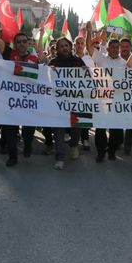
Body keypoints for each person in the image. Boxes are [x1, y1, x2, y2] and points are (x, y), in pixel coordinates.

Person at [0, 23, 44, 166]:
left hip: (28, 103)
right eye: (18, 42)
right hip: (10, 102)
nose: (21, 44)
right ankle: (12, 156)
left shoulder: (34, 59)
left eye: (24, 41)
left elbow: (44, 75)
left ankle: (27, 145)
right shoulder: (9, 54)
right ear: (14, 44)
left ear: (28, 43)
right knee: (10, 131)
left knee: (28, 131)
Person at [86, 24, 126, 162]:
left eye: (117, 47)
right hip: (102, 99)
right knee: (101, 127)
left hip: (118, 99)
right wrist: (89, 33)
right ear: (107, 48)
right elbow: (89, 48)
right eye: (112, 47)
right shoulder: (101, 58)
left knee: (117, 129)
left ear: (119, 49)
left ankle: (112, 151)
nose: (115, 49)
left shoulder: (124, 63)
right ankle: (101, 152)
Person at [48, 37, 86, 170]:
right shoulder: (53, 62)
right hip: (58, 103)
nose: (64, 48)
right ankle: (59, 158)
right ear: (57, 49)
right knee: (58, 130)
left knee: (76, 127)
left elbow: (88, 79)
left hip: (76, 101)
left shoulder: (78, 61)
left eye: (66, 45)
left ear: (71, 47)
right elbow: (46, 81)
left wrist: (85, 71)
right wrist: (49, 72)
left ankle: (74, 145)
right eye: (61, 46)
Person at [74, 34, 94, 151]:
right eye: (78, 43)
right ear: (74, 45)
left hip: (87, 93)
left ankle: (85, 139)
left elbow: (96, 75)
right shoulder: (70, 58)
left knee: (86, 115)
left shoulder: (89, 60)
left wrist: (89, 72)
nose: (80, 45)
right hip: (74, 94)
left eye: (82, 43)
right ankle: (74, 139)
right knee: (75, 116)